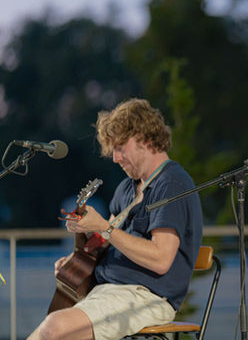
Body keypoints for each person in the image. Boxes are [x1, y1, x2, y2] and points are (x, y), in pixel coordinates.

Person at [29, 98, 203, 340]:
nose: (115, 158)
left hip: (145, 297)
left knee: (54, 329)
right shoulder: (127, 188)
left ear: (145, 138)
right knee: (41, 333)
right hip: (108, 292)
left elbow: (161, 259)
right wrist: (79, 252)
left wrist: (103, 226)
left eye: (121, 147)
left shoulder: (171, 184)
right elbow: (103, 240)